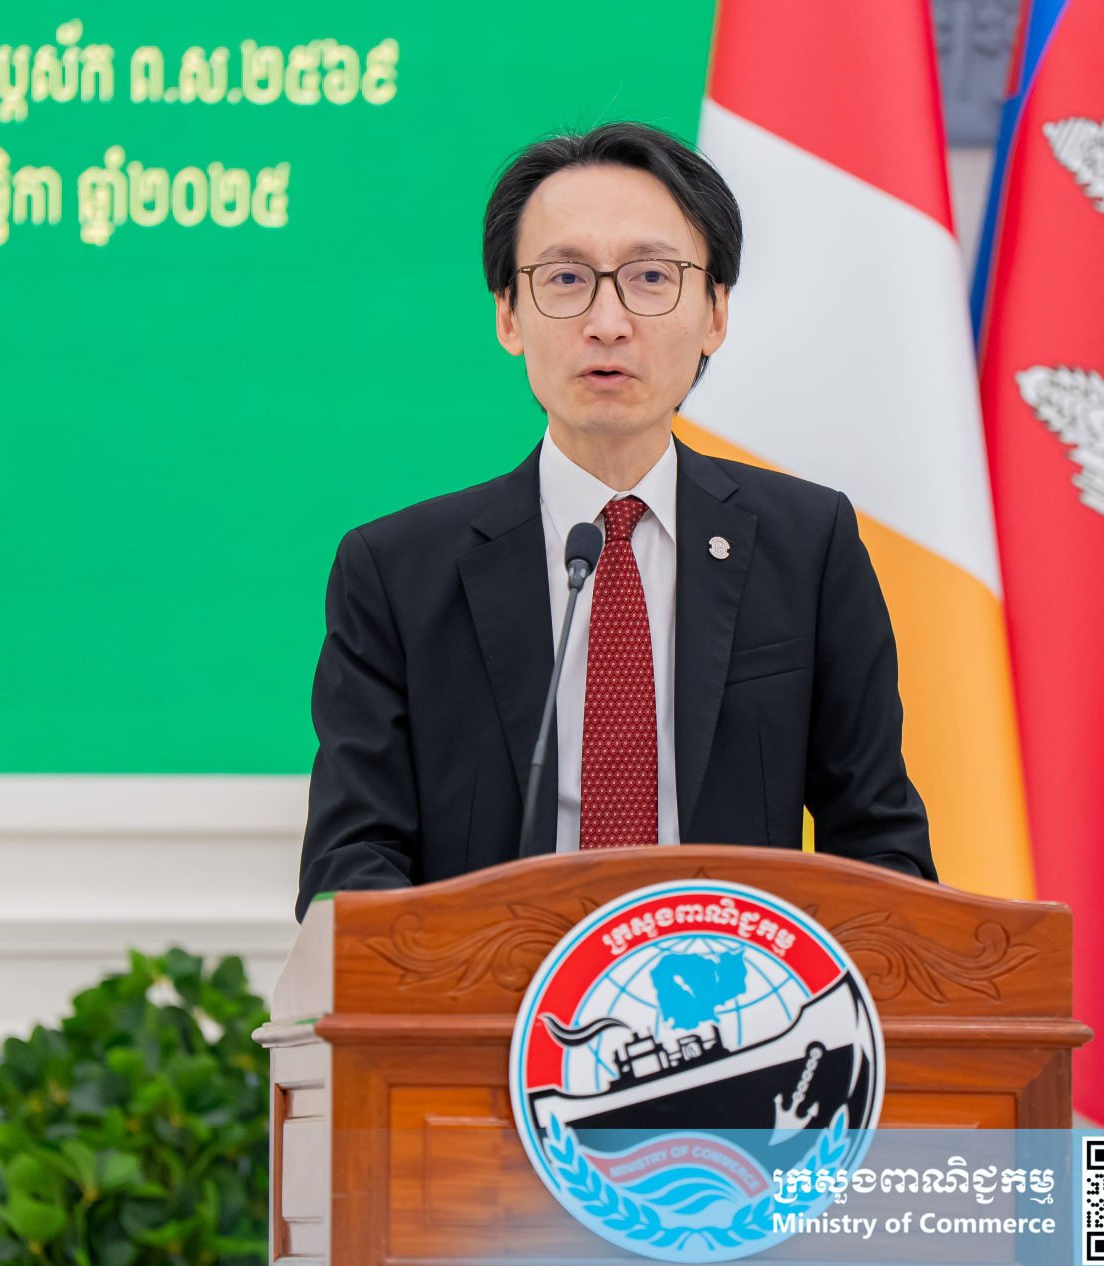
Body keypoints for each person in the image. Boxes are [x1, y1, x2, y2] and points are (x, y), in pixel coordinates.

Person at [295, 122, 934, 922]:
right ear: (508, 316)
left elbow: (878, 842)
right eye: (566, 278)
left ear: (715, 313)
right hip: (495, 993)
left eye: (651, 277)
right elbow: (352, 858)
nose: (608, 322)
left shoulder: (808, 547)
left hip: (736, 991)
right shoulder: (395, 574)